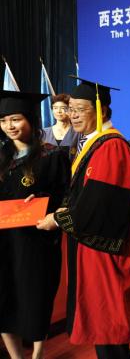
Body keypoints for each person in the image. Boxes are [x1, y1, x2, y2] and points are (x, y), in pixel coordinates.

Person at [36, 77, 130, 359]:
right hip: (94, 245)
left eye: (80, 109)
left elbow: (102, 204)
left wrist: (59, 219)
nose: (73, 115)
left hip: (105, 250)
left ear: (100, 110)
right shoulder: (92, 143)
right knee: (104, 327)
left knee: (110, 325)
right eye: (70, 109)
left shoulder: (111, 146)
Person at [0, 91, 70, 359]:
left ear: (30, 119)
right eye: (3, 120)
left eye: (15, 119)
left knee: (35, 300)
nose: (9, 126)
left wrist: (43, 201)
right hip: (3, 242)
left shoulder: (51, 156)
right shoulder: (1, 156)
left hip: (34, 243)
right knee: (3, 300)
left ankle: (37, 354)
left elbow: (66, 197)